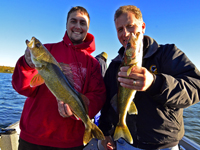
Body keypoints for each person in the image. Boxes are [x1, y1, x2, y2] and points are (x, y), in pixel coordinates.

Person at [98, 5, 200, 150]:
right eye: (120, 29)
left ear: (143, 27)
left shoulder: (167, 54)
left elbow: (196, 87)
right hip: (124, 143)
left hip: (163, 145)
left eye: (130, 26)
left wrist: (156, 83)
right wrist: (106, 132)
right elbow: (108, 103)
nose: (125, 34)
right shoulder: (114, 65)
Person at [12, 6, 106, 150]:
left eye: (83, 23)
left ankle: (89, 128)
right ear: (67, 24)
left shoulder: (93, 63)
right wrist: (26, 64)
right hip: (33, 138)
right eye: (73, 21)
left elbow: (98, 96)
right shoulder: (48, 50)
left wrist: (76, 112)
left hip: (71, 142)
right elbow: (22, 87)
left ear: (87, 28)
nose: (77, 26)